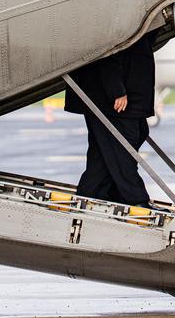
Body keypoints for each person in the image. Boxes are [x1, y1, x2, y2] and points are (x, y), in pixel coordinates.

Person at [65, 32, 157, 207]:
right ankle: (135, 199)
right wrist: (116, 90)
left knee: (105, 151)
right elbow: (109, 48)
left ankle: (91, 192)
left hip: (130, 92)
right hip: (114, 97)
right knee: (123, 148)